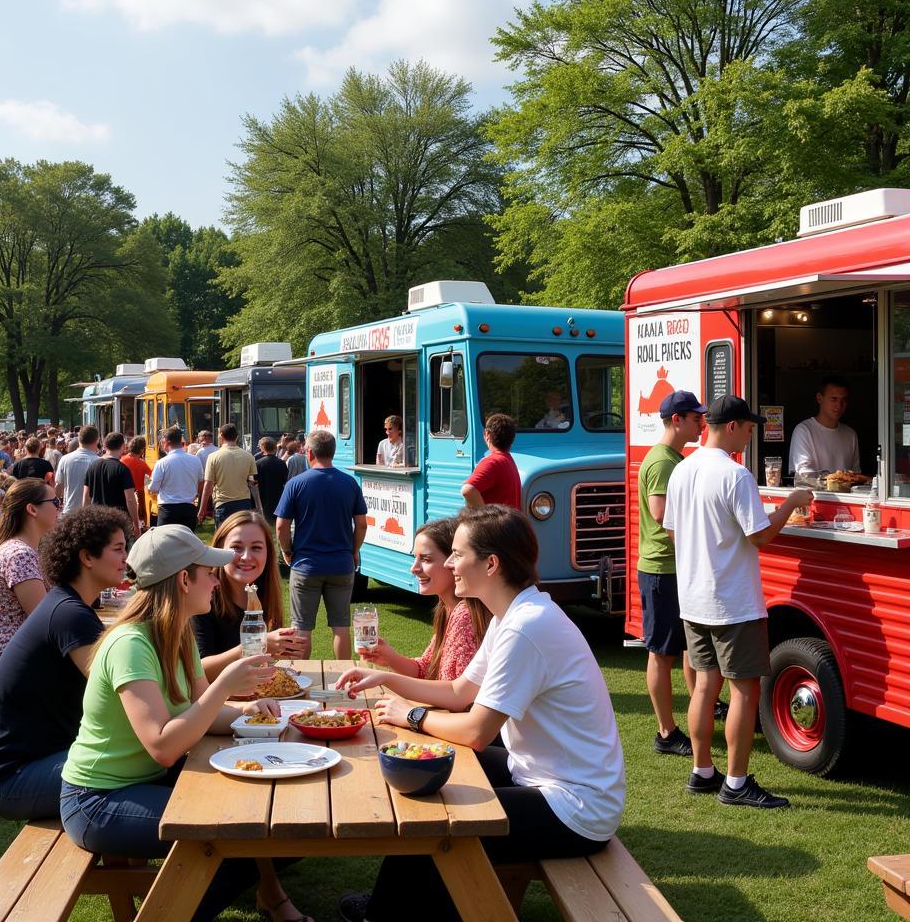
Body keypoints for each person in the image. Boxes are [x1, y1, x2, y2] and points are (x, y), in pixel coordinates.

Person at [335, 506, 625, 922]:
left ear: (491, 564)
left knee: (437, 825)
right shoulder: (512, 615)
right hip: (541, 775)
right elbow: (457, 692)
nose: (449, 564)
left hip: (576, 807)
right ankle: (393, 906)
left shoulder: (527, 626)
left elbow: (475, 732)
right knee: (427, 769)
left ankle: (389, 914)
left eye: (456, 554)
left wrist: (411, 715)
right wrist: (385, 677)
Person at [60, 525, 312, 922]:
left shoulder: (177, 632)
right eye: (209, 572)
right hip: (97, 800)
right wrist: (225, 685)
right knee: (231, 834)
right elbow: (163, 746)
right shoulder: (131, 644)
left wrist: (248, 714)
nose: (215, 580)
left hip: (144, 783)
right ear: (183, 579)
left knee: (282, 822)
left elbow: (200, 712)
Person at [664, 394, 812, 809]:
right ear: (731, 427)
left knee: (704, 686)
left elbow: (673, 533)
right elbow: (760, 535)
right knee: (744, 692)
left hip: (693, 599)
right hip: (732, 601)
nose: (750, 435)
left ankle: (702, 771)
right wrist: (791, 503)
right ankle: (736, 782)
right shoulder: (735, 475)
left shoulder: (682, 471)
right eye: (748, 428)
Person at [0, 506, 127, 820]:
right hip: (10, 780)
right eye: (119, 549)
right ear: (87, 557)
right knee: (141, 763)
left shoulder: (67, 605)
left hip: (36, 762)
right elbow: (116, 692)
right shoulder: (70, 615)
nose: (126, 557)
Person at [637, 391, 705, 757]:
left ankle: (699, 708)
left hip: (672, 568)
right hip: (662, 569)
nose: (701, 424)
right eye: (696, 418)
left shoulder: (672, 457)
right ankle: (666, 732)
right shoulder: (663, 462)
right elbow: (662, 515)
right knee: (661, 653)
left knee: (687, 649)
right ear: (676, 420)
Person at [358, 517, 491, 681]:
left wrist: (386, 679)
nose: (414, 568)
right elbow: (426, 668)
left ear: (454, 562)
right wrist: (391, 659)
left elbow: (454, 693)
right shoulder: (447, 609)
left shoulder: (465, 616)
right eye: (415, 558)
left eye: (426, 559)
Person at [275, 430, 367, 659]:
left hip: (306, 564)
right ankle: (346, 680)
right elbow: (362, 524)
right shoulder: (350, 483)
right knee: (341, 627)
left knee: (302, 628)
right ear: (332, 452)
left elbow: (281, 526)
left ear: (309, 453)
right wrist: (354, 551)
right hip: (341, 563)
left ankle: (299, 680)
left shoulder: (296, 484)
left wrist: (287, 551)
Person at [0, 479, 61, 693]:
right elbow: (44, 620)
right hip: (3, 663)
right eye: (55, 501)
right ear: (32, 509)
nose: (60, 507)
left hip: (10, 657)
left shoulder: (21, 548)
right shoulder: (19, 555)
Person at [194, 510, 310, 678]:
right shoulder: (203, 599)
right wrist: (254, 645)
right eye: (236, 548)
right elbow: (198, 672)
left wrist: (278, 651)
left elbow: (255, 668)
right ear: (220, 550)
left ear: (268, 554)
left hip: (253, 698)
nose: (246, 556)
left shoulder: (264, 596)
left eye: (256, 548)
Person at [788, 376, 861, 475]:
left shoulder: (850, 434)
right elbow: (805, 475)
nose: (839, 405)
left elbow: (855, 474)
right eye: (834, 399)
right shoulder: (804, 430)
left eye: (843, 400)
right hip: (813, 491)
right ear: (819, 398)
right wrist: (835, 480)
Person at [198, 423, 260, 528]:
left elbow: (208, 485)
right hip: (244, 502)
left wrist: (202, 509)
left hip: (223, 503)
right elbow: (253, 483)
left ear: (221, 436)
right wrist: (259, 506)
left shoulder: (213, 457)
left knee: (224, 539)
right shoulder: (249, 456)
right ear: (236, 437)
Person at [82, 432, 141, 537]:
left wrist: (85, 519)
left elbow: (86, 496)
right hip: (119, 521)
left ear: (104, 445)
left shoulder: (92, 467)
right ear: (123, 446)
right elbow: (130, 499)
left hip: (97, 519)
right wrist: (136, 524)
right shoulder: (123, 469)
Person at [146, 426, 204, 529]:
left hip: (168, 509)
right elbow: (201, 484)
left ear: (167, 442)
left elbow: (154, 488)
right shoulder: (195, 460)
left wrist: (147, 484)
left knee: (166, 542)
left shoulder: (162, 463)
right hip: (188, 507)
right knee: (187, 542)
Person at [461, 413, 521, 510]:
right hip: (510, 523)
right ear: (512, 438)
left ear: (487, 434)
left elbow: (467, 490)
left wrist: (484, 515)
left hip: (496, 524)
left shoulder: (492, 461)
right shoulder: (508, 460)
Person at [54, 424, 100, 513]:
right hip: (91, 513)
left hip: (69, 511)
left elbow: (59, 486)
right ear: (97, 440)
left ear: (79, 439)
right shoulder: (99, 462)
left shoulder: (65, 459)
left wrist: (55, 506)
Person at [254, 437, 288, 527]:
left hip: (263, 497)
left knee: (266, 524)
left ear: (262, 448)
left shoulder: (258, 463)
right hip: (279, 496)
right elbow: (285, 479)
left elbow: (254, 482)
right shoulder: (281, 463)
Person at [122, 436, 152, 532]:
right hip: (139, 494)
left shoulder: (122, 460)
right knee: (141, 519)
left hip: (123, 493)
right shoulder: (142, 464)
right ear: (142, 449)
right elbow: (153, 475)